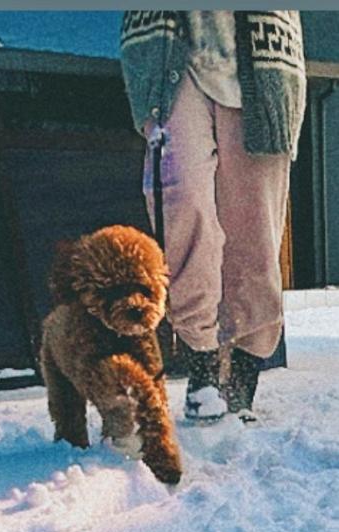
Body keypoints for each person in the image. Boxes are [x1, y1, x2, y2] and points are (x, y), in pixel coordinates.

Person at [119, 11, 306, 422]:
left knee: (256, 231)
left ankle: (242, 376)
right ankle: (201, 359)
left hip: (264, 61)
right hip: (170, 49)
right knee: (180, 201)